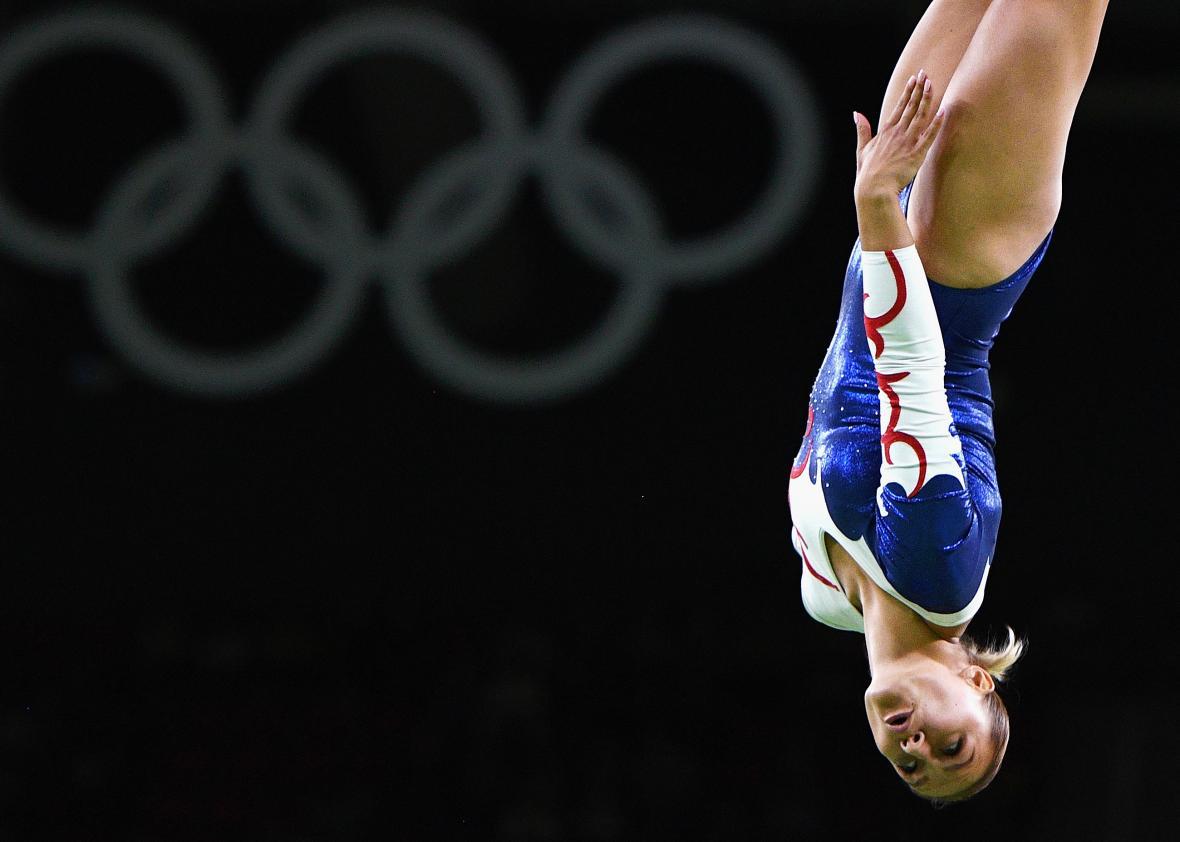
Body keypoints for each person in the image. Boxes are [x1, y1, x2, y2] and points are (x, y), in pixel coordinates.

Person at [787, 0, 1107, 803]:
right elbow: (910, 371)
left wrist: (883, 217)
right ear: (979, 680)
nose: (919, 744)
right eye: (952, 745)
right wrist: (874, 207)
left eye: (909, 766)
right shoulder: (935, 573)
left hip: (900, 237)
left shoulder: (828, 603)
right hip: (967, 246)